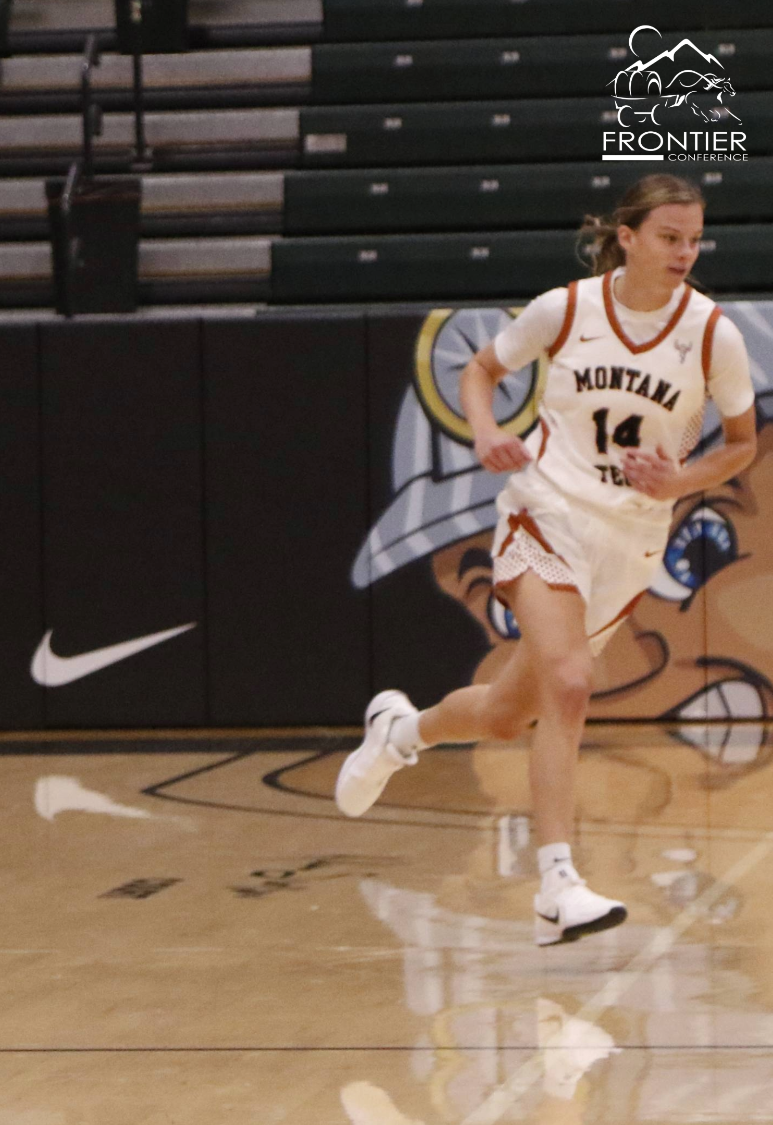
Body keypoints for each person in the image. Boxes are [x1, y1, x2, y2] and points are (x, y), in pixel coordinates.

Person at [336, 174, 757, 947]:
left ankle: (400, 733)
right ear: (626, 236)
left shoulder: (711, 334)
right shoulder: (565, 308)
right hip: (545, 509)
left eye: (695, 238)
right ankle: (558, 881)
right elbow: (480, 370)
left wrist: (682, 477)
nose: (685, 252)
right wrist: (485, 430)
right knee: (570, 680)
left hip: (627, 543)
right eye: (670, 236)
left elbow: (741, 445)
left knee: (506, 713)